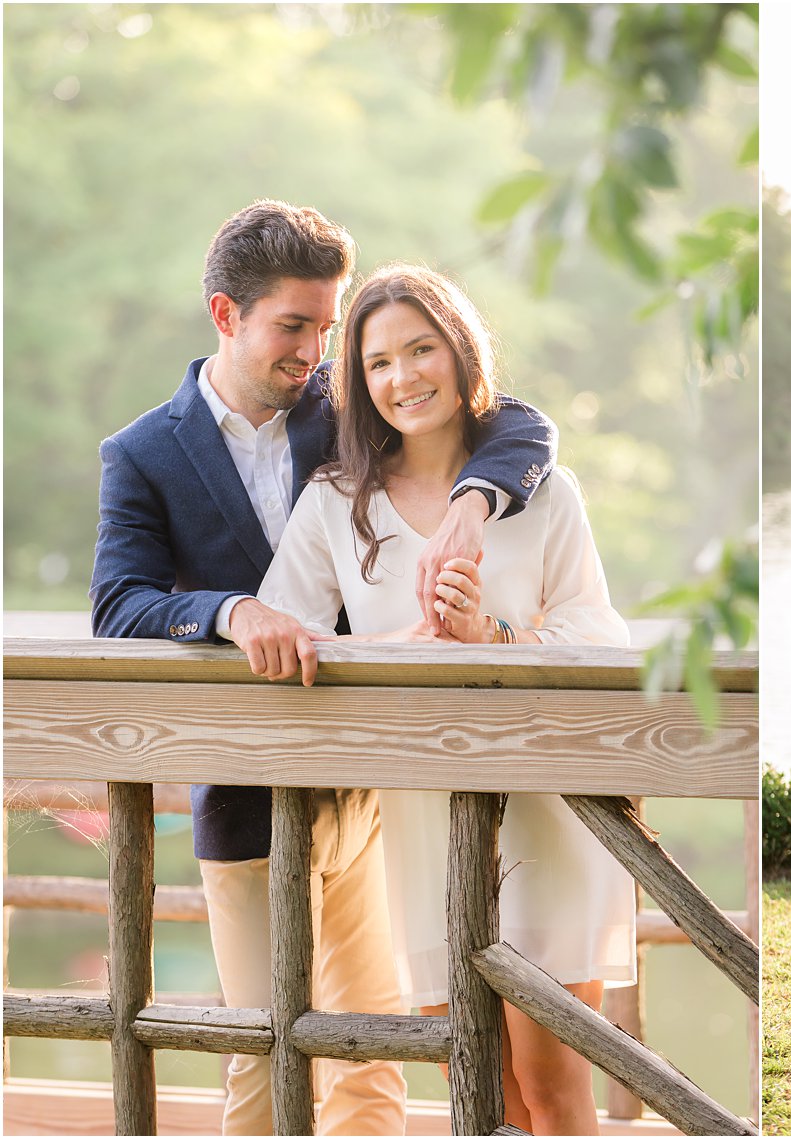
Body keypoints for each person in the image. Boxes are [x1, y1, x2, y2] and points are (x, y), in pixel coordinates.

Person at [89, 200, 559, 1135]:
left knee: (372, 1055)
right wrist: (230, 609)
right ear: (227, 316)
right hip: (247, 798)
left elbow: (524, 427)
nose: (316, 348)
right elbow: (119, 603)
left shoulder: (353, 416)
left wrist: (470, 502)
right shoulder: (140, 453)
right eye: (294, 326)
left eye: (328, 324)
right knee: (263, 1059)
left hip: (372, 789)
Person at [254, 263, 636, 1135]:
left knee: (552, 1085)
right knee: (477, 1084)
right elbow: (289, 630)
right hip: (422, 818)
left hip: (549, 811)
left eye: (421, 349)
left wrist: (491, 638)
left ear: (462, 358)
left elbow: (598, 639)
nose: (403, 377)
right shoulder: (335, 502)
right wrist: (402, 652)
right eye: (379, 361)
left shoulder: (544, 494)